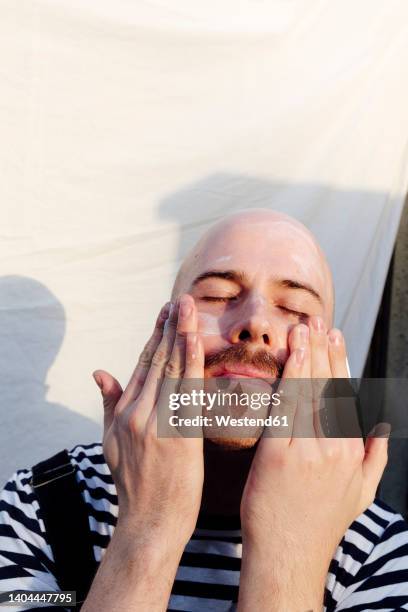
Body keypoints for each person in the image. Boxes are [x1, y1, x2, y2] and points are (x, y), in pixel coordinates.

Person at [1, 209, 408, 612]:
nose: (255, 323)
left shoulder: (381, 552)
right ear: (164, 328)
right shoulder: (35, 510)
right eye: (218, 296)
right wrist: (152, 525)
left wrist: (291, 546)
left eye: (294, 308)